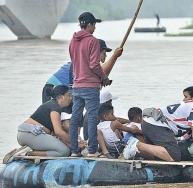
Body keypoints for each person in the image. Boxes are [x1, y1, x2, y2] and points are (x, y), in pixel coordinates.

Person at [68, 11, 122, 158]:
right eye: (94, 25)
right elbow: (93, 64)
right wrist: (104, 78)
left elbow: (74, 61)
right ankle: (92, 150)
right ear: (89, 24)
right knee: (92, 117)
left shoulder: (73, 41)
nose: (95, 28)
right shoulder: (92, 40)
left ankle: (74, 150)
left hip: (77, 85)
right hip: (90, 85)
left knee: (75, 118)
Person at [17, 85, 74, 157]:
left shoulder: (52, 105)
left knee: (65, 148)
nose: (70, 98)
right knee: (64, 151)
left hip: (25, 135)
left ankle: (31, 150)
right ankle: (28, 153)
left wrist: (73, 145)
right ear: (61, 97)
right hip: (29, 134)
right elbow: (58, 132)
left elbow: (56, 135)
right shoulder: (55, 107)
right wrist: (75, 142)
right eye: (68, 95)